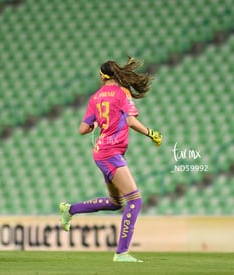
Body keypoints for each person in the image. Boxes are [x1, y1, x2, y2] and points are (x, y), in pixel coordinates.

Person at [59, 57, 162, 262]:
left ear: (101, 76)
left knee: (116, 202)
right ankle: (121, 253)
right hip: (110, 152)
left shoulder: (95, 97)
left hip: (102, 151)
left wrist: (95, 124)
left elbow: (82, 130)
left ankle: (70, 210)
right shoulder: (121, 93)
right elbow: (131, 120)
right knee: (135, 199)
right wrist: (150, 133)